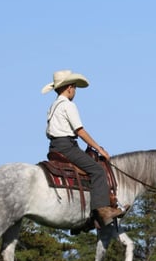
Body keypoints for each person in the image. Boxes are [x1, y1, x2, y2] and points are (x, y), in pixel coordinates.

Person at [42, 69, 124, 226]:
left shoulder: (53, 106)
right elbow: (80, 131)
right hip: (67, 146)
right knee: (98, 170)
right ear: (70, 88)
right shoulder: (68, 105)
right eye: (75, 88)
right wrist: (100, 149)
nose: (75, 91)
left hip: (54, 146)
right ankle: (102, 211)